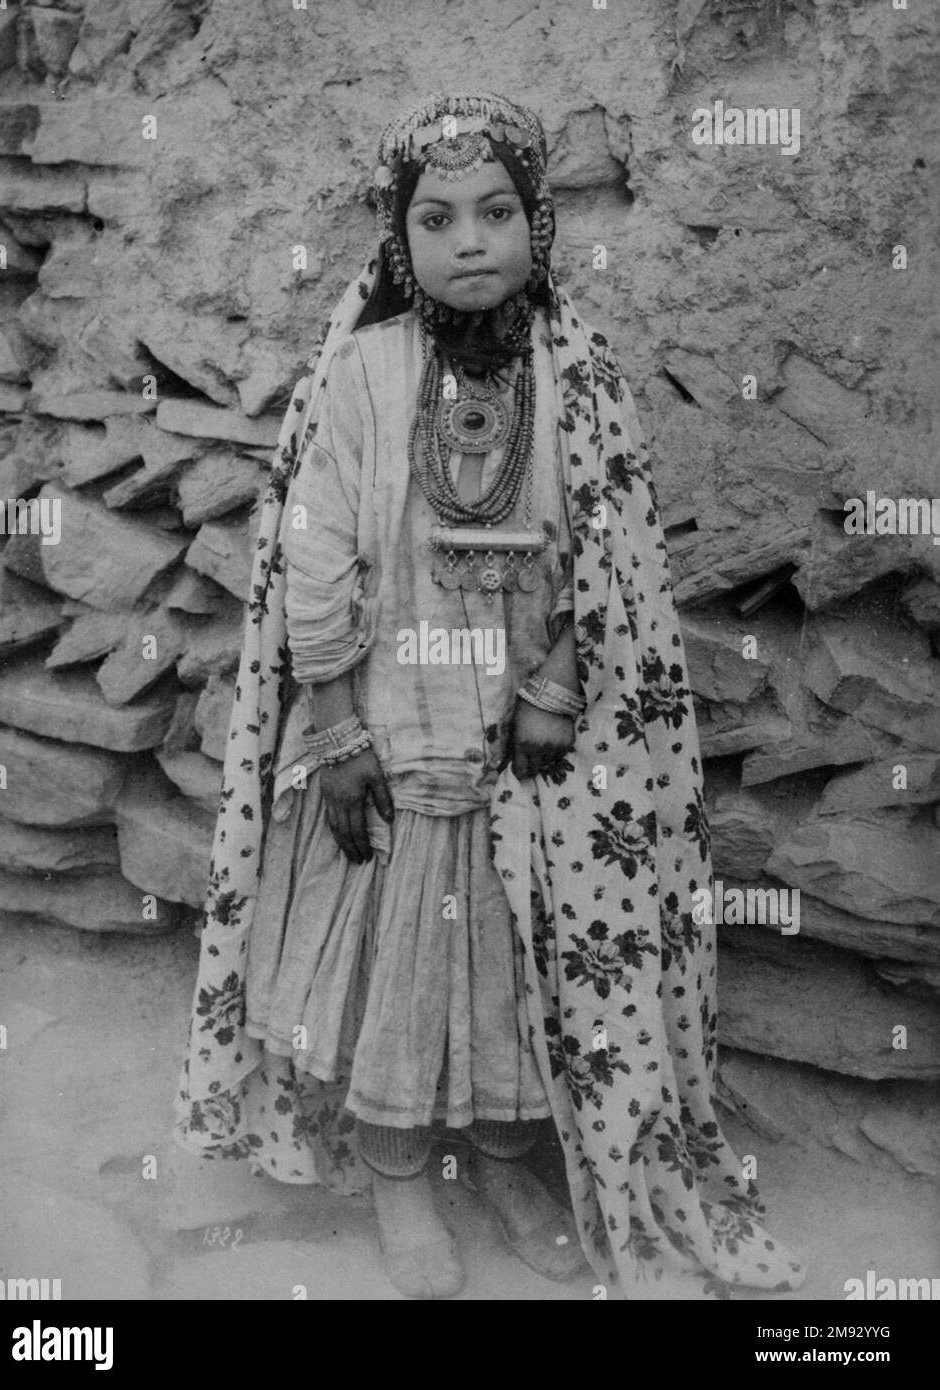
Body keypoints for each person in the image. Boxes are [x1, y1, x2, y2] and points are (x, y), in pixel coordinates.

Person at [175, 91, 806, 1301]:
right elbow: (312, 549)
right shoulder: (361, 371)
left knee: (527, 971)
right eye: (438, 217)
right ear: (399, 239)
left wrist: (561, 682)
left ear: (537, 224)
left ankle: (513, 1160)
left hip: (527, 743)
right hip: (383, 725)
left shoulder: (577, 372)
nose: (472, 241)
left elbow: (609, 553)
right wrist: (333, 721)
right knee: (395, 973)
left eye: (498, 211)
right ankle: (401, 1173)